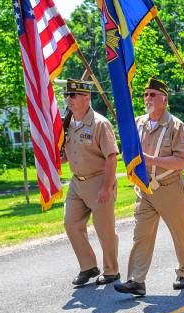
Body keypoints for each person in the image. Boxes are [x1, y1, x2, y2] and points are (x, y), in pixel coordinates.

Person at [114, 77, 184, 296]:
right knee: (141, 235)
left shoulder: (175, 125)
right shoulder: (137, 124)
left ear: (164, 100)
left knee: (181, 233)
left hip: (169, 186)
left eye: (153, 94)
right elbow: (129, 153)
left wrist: (151, 160)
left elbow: (181, 162)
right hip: (144, 189)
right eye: (145, 94)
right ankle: (136, 280)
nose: (148, 98)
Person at [61, 79, 120, 286]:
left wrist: (106, 186)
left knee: (104, 228)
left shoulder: (100, 123)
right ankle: (88, 266)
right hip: (76, 182)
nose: (69, 99)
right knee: (71, 223)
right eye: (67, 95)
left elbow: (112, 157)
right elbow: (66, 155)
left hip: (98, 180)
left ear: (87, 97)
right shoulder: (66, 124)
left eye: (73, 95)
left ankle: (112, 270)